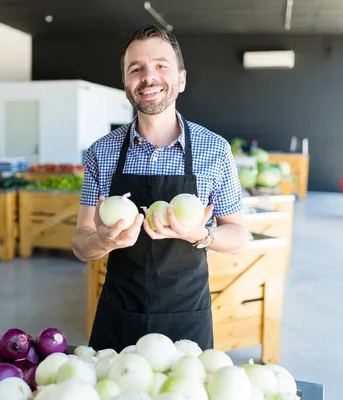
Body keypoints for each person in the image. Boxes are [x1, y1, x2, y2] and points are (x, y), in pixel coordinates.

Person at [71, 24, 249, 352]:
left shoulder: (215, 149)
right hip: (118, 315)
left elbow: (240, 235)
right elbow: (81, 245)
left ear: (181, 78)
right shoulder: (101, 152)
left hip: (187, 318)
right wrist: (102, 240)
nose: (148, 76)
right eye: (136, 69)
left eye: (161, 66)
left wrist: (200, 235)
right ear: (126, 84)